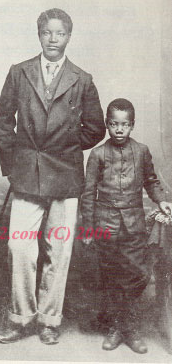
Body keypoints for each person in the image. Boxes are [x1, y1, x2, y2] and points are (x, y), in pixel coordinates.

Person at [0, 8, 106, 344]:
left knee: (59, 249)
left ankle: (49, 320)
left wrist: (65, 149)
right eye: (47, 32)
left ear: (69, 37)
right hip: (27, 174)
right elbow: (3, 121)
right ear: (38, 34)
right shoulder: (19, 72)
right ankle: (21, 316)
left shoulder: (82, 79)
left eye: (60, 33)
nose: (53, 39)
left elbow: (96, 128)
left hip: (65, 176)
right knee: (19, 247)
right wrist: (13, 166)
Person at [80, 98, 172, 354]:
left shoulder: (141, 151)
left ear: (132, 125)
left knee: (136, 274)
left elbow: (151, 180)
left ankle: (124, 326)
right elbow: (88, 193)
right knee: (111, 276)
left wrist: (162, 200)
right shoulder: (97, 154)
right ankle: (121, 328)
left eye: (125, 125)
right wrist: (88, 226)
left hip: (133, 224)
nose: (119, 130)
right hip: (104, 223)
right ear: (107, 125)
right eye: (113, 124)